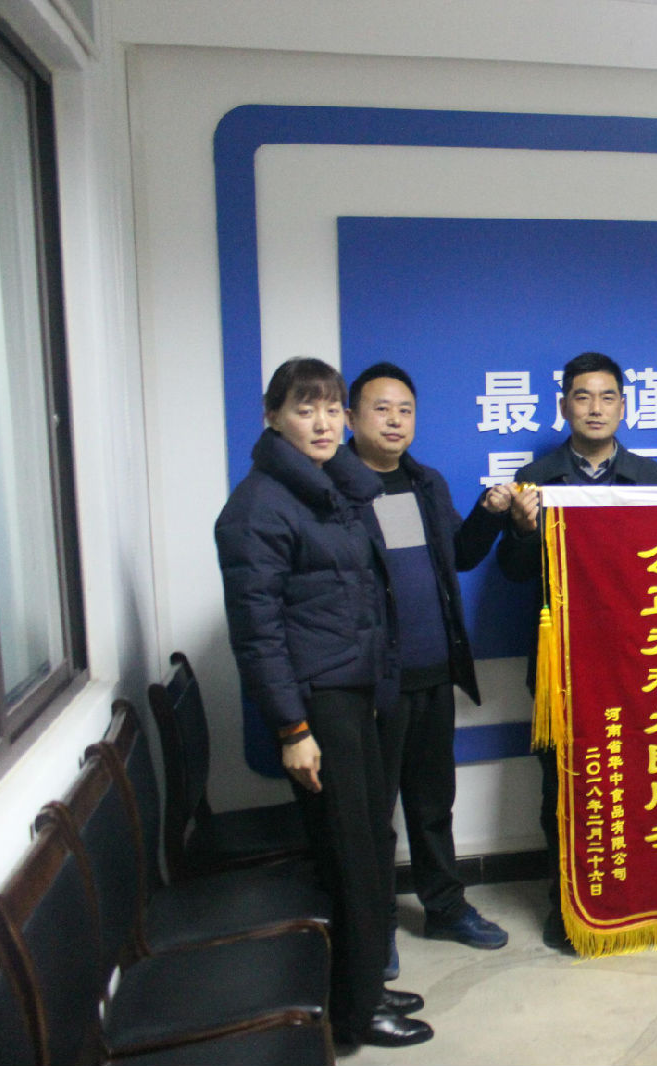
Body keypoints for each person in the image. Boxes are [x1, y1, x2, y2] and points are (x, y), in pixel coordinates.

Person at [214, 357, 432, 1048]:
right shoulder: (259, 507)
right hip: (319, 702)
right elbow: (258, 634)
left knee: (367, 842)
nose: (322, 423)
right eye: (305, 409)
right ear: (272, 416)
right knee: (349, 855)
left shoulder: (332, 490)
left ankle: (361, 985)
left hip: (356, 689)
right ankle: (357, 1012)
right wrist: (292, 728)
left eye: (332, 409)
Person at [497, 351, 657, 952]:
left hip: (642, 663)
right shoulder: (536, 478)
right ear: (564, 406)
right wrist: (523, 529)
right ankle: (568, 905)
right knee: (564, 788)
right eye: (582, 397)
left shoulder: (653, 480)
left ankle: (639, 897)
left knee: (644, 777)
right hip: (564, 666)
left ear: (624, 407)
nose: (595, 409)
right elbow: (513, 574)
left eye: (607, 397)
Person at [345, 362, 514, 976]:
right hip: (372, 682)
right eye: (381, 409)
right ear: (351, 417)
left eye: (405, 410)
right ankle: (375, 927)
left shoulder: (425, 483)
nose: (395, 421)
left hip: (433, 672)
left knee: (432, 802)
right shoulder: (335, 490)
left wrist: (490, 512)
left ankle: (444, 907)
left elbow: (460, 556)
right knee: (372, 814)